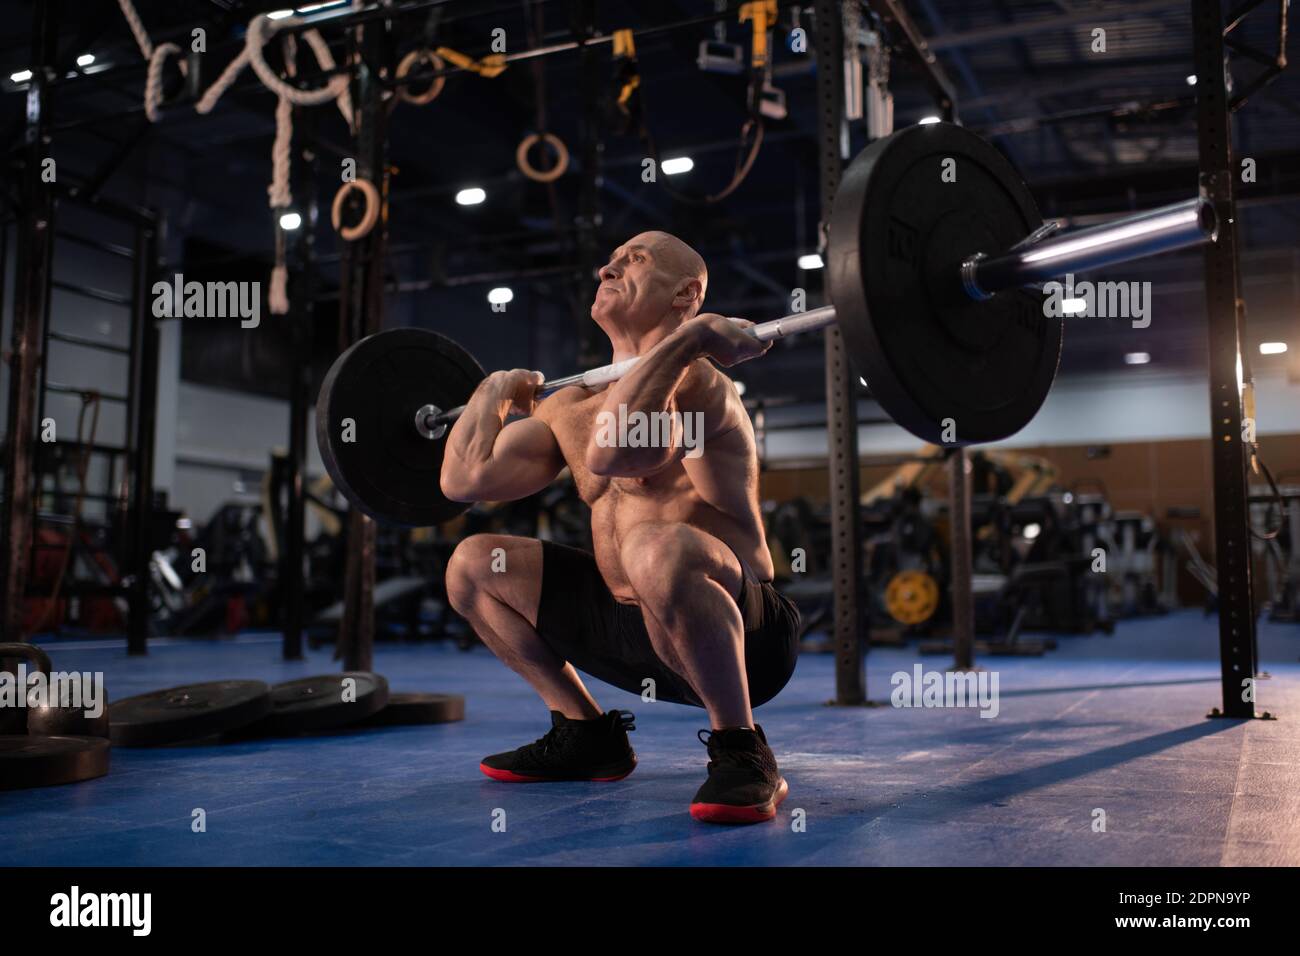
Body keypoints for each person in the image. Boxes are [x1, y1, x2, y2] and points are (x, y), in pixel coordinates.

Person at [441, 230, 800, 825]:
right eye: (607, 263)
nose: (607, 270)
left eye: (633, 260)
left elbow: (617, 451)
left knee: (654, 544)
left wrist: (690, 344)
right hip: (631, 628)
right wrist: (491, 393)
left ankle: (741, 745)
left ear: (687, 293)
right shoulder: (567, 405)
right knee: (473, 565)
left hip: (746, 634)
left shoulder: (701, 384)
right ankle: (586, 735)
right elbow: (464, 481)